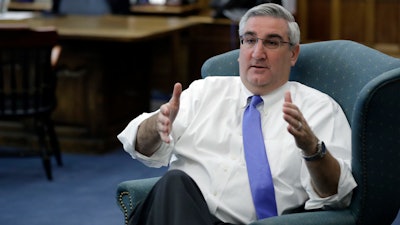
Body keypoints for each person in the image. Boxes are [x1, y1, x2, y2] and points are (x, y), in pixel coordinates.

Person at [117, 3, 357, 225]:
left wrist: (312, 149)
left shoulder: (319, 109)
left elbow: (337, 194)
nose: (257, 53)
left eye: (272, 42)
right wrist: (156, 126)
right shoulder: (205, 91)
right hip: (178, 210)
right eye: (250, 40)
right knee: (174, 184)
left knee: (172, 186)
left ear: (293, 54)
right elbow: (138, 146)